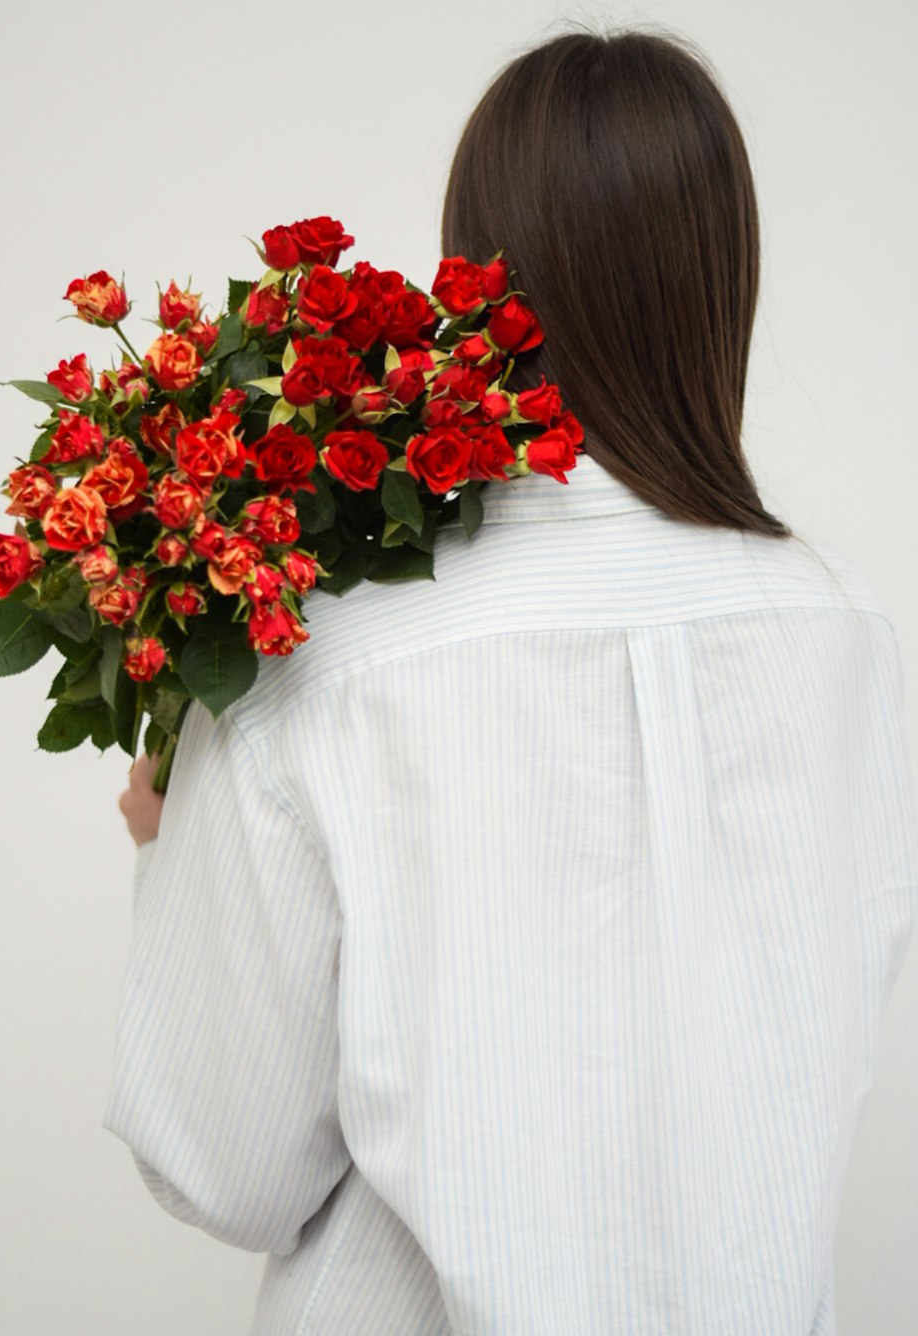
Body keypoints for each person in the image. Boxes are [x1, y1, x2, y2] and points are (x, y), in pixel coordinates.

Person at [106, 25, 918, 1335]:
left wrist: (170, 840)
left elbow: (222, 1168)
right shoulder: (845, 631)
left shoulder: (328, 657)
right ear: (724, 278)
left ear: (473, 275)